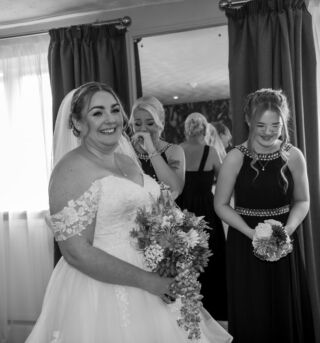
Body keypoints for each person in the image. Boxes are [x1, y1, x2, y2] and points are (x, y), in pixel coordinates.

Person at [26, 82, 232, 343]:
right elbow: (76, 252)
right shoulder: (70, 170)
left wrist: (173, 251)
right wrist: (149, 281)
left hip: (155, 277)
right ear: (77, 123)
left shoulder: (126, 159)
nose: (110, 119)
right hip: (104, 289)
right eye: (97, 112)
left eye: (114, 110)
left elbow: (161, 201)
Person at [214, 88, 315, 343]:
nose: (269, 132)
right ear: (248, 120)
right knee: (253, 311)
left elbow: (303, 200)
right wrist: (252, 234)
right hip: (244, 241)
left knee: (284, 308)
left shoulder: (294, 155)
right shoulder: (235, 157)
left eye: (275, 125)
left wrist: (285, 232)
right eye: (261, 125)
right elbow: (221, 204)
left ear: (284, 122)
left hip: (284, 241)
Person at [176, 112, 228, 326]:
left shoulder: (177, 151)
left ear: (186, 130)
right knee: (212, 259)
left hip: (182, 211)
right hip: (207, 211)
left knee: (184, 259)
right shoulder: (211, 152)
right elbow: (225, 179)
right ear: (205, 130)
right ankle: (215, 309)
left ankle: (186, 307)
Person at [129, 95, 185, 199]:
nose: (143, 129)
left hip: (167, 214)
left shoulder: (174, 151)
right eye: (137, 124)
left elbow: (174, 190)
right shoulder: (126, 150)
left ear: (162, 124)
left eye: (150, 123)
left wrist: (151, 149)